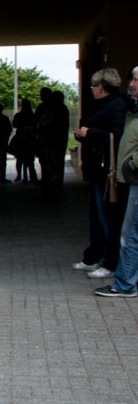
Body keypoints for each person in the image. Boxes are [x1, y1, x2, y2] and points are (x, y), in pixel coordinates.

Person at [73, 68, 127, 280]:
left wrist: (90, 133)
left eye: (94, 85)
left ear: (101, 87)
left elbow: (118, 136)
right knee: (96, 216)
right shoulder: (102, 105)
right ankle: (94, 256)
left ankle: (111, 262)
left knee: (108, 218)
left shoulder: (117, 106)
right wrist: (82, 135)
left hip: (107, 171)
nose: (92, 89)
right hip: (97, 168)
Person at [96, 66, 138, 298]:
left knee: (130, 234)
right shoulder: (133, 110)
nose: (131, 84)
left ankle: (125, 284)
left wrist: (131, 164)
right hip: (132, 179)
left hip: (136, 179)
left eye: (135, 80)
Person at [11, 98, 38, 182]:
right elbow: (36, 126)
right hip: (30, 139)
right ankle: (32, 176)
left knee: (19, 158)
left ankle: (20, 175)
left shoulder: (18, 115)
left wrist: (21, 126)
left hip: (20, 138)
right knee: (30, 159)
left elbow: (14, 124)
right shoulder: (33, 115)